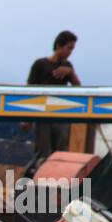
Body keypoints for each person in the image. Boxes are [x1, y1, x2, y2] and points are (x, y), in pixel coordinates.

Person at [27, 31, 81, 161]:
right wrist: (26, 118)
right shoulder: (40, 64)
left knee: (59, 153)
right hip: (42, 115)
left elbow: (78, 88)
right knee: (42, 154)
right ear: (59, 46)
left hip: (60, 115)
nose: (70, 52)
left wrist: (70, 73)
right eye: (69, 48)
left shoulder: (67, 66)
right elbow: (28, 91)